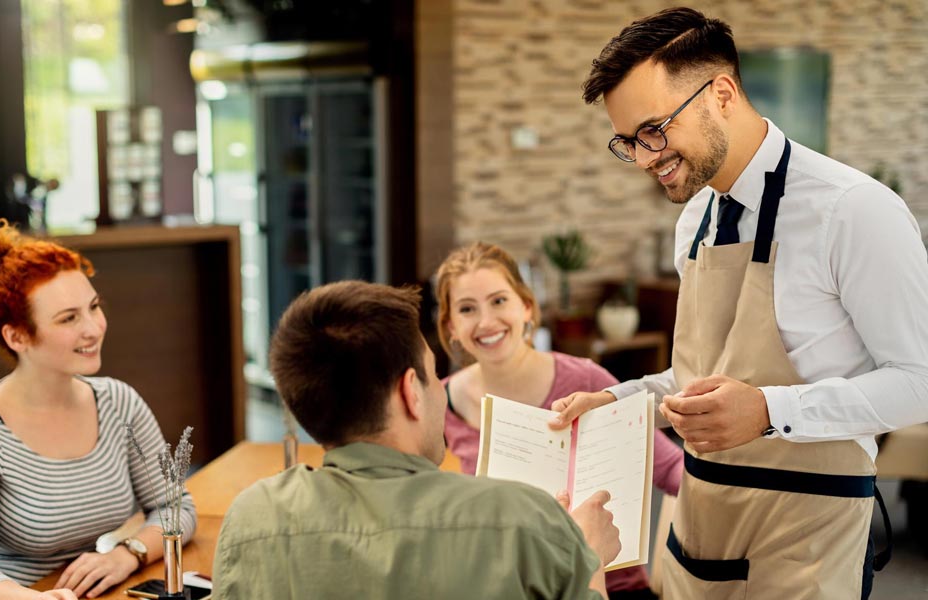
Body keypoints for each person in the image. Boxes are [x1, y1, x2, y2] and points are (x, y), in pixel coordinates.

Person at [547, 7, 928, 600]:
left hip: (807, 535)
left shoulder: (854, 210)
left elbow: (918, 382)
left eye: (654, 130)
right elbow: (702, 376)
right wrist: (619, 400)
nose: (645, 158)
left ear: (720, 93)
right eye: (628, 142)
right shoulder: (695, 216)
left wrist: (770, 411)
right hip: (699, 524)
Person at [212, 281, 622, 600]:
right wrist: (589, 559)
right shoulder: (523, 518)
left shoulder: (253, 519)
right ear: (411, 391)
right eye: (431, 373)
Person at [0, 218, 197, 600]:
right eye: (69, 318)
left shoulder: (120, 404)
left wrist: (126, 554)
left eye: (93, 307)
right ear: (17, 336)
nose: (94, 328)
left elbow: (175, 508)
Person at [435, 241, 684, 600]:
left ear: (526, 306)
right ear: (451, 326)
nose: (486, 321)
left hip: (611, 587)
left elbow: (671, 467)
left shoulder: (586, 382)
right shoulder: (440, 403)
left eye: (499, 301)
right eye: (467, 308)